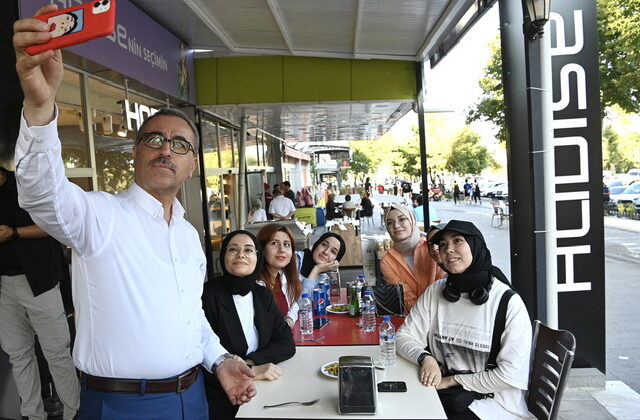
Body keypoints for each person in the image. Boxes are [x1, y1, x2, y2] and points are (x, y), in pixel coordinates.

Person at [13, 8, 255, 417]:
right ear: (136, 152)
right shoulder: (99, 216)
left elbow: (189, 314)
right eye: (154, 139)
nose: (165, 148)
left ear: (192, 164)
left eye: (179, 144)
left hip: (194, 398)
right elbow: (42, 195)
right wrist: (41, 106)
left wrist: (219, 360)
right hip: (121, 405)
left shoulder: (186, 235)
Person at [397, 220, 532, 420]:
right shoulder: (436, 291)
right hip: (441, 396)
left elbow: (509, 376)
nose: (448, 249)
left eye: (457, 241)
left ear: (475, 246)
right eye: (442, 245)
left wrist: (452, 380)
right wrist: (425, 358)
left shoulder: (508, 302)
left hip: (492, 405)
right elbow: (403, 337)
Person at [0, 166, 80, 420]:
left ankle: (73, 413)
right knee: (18, 354)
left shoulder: (26, 183)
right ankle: (32, 415)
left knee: (56, 351)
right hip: (3, 283)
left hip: (38, 279)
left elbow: (56, 225)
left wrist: (13, 232)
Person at [202, 231, 295, 420]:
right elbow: (200, 356)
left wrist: (250, 364)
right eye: (233, 250)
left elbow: (286, 342)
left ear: (257, 258)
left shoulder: (263, 295)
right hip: (221, 397)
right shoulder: (208, 295)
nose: (241, 255)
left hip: (262, 389)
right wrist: (252, 372)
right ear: (223, 257)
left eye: (248, 250)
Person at [380, 205, 445, 311]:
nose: (396, 225)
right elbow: (406, 297)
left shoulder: (434, 247)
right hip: (414, 317)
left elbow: (444, 284)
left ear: (412, 220)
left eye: (402, 219)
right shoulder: (387, 262)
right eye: (390, 223)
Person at [256, 224, 301, 328]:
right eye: (274, 243)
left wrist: (289, 321)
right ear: (261, 248)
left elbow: (294, 306)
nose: (282, 250)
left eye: (286, 244)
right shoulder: (255, 286)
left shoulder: (282, 276)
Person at [297, 232, 346, 298]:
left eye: (333, 252)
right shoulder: (296, 260)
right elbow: (304, 303)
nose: (325, 252)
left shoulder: (327, 273)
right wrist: (316, 270)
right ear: (317, 244)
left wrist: (334, 273)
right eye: (324, 244)